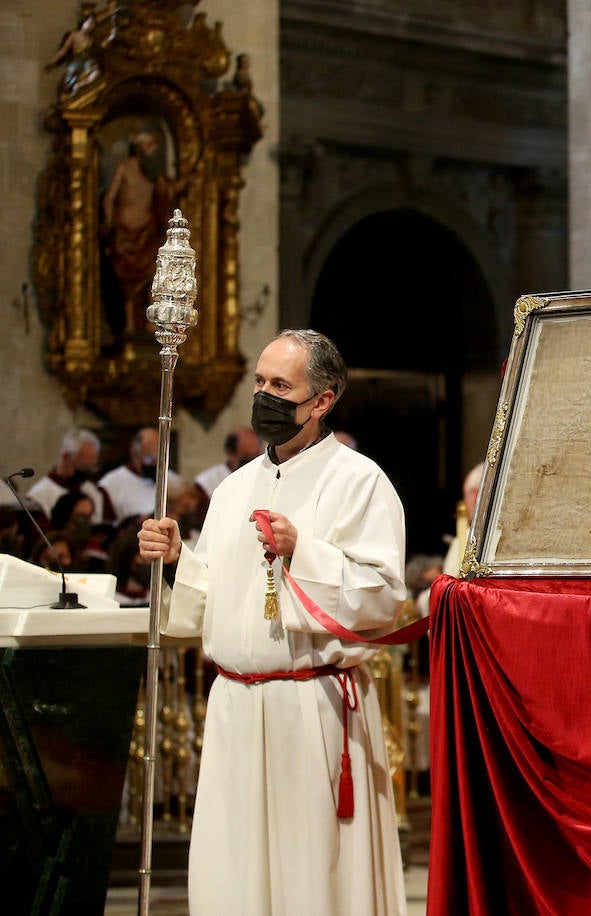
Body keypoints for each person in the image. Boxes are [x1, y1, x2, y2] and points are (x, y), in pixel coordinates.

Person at [138, 329, 407, 915]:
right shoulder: (233, 490)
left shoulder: (361, 482)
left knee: (310, 878)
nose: (265, 396)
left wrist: (302, 553)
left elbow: (385, 598)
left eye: (281, 385)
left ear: (322, 400)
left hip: (311, 709)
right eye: (260, 382)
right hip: (236, 707)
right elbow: (209, 599)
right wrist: (177, 561)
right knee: (236, 874)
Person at [101, 129, 178, 337]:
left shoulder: (153, 174)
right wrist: (109, 221)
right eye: (150, 146)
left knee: (152, 275)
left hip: (148, 231)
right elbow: (110, 197)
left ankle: (150, 323)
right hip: (125, 233)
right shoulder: (124, 168)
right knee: (127, 283)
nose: (154, 151)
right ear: (140, 149)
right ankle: (128, 324)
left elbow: (168, 193)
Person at [25, 428, 117, 524]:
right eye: (84, 466)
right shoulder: (40, 494)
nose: (90, 472)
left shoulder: (91, 490)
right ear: (66, 457)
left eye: (93, 466)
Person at [99, 427, 183, 524]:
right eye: (149, 459)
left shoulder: (170, 479)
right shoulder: (110, 484)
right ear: (134, 454)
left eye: (158, 459)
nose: (155, 465)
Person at [194, 426, 260, 503]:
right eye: (246, 459)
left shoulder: (264, 476)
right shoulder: (207, 483)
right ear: (230, 453)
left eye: (256, 458)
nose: (252, 464)